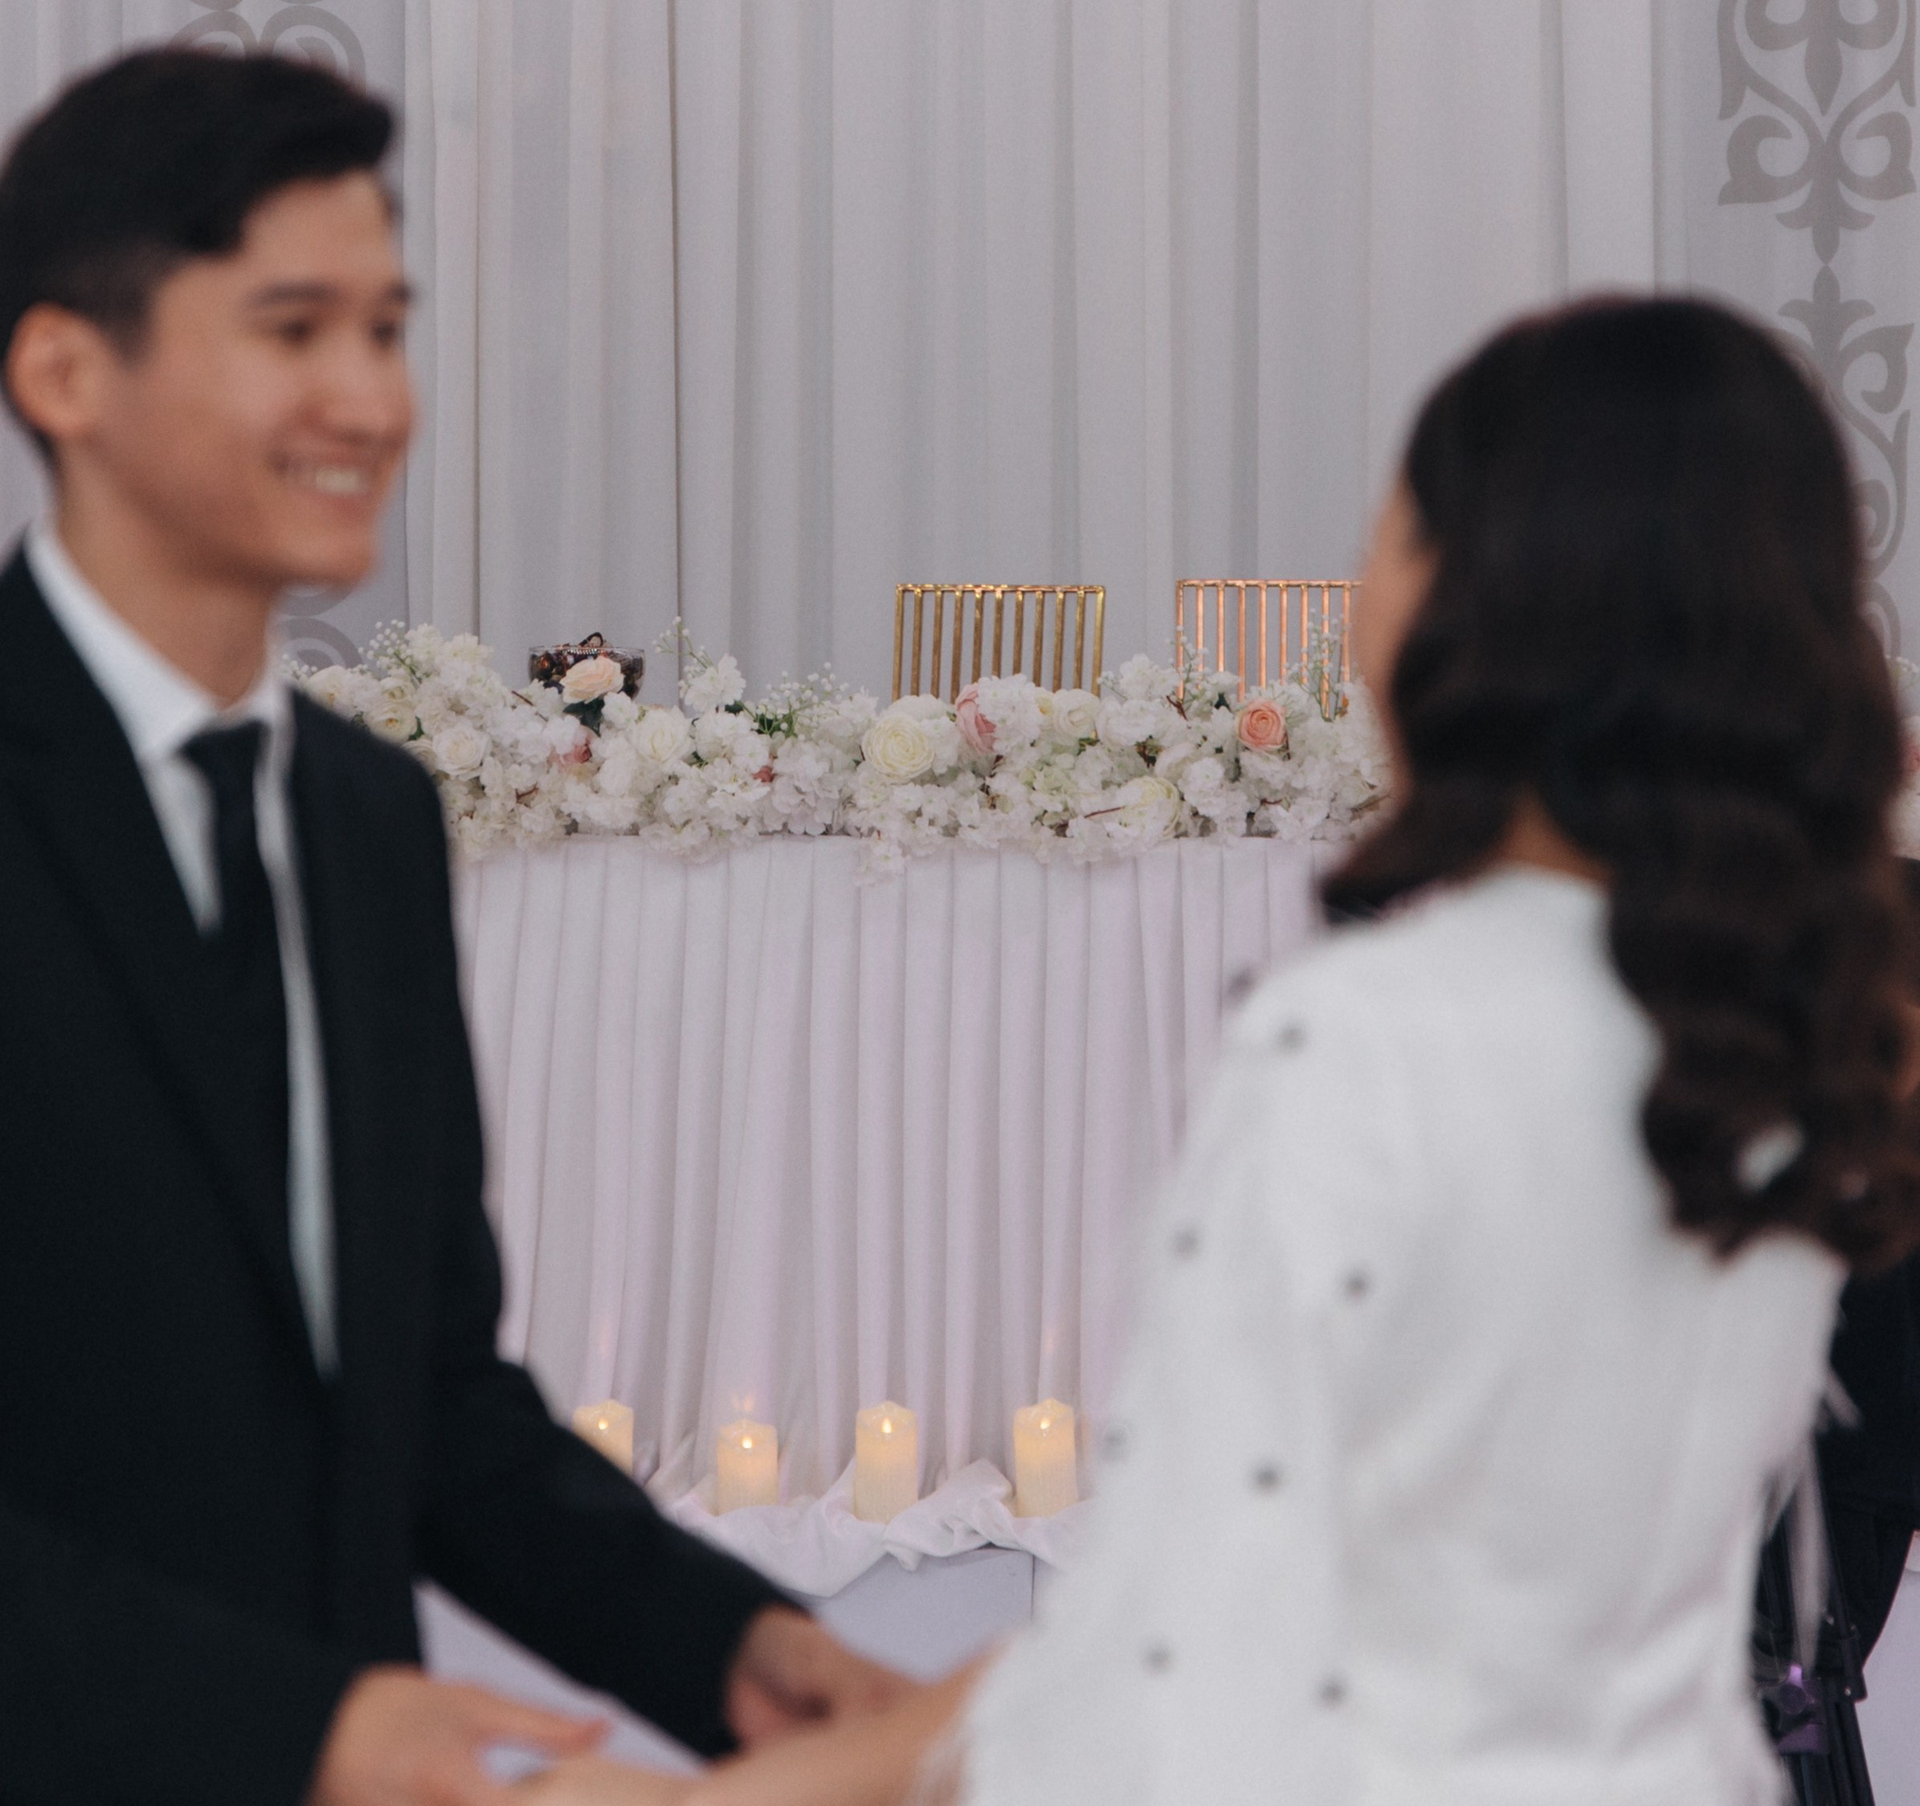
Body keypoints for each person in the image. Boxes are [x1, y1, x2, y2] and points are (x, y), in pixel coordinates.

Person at [526, 295, 1920, 1806]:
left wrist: (720, 1801)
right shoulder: (1818, 1026)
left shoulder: (1385, 1038)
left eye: (1389, 535)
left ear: (1483, 603)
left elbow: (1183, 1643)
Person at [0, 47, 907, 1806]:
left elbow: (424, 1401)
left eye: (387, 329)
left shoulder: (370, 823)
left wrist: (724, 1645)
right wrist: (293, 1729)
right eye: (294, 330)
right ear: (64, 372)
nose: (370, 399)